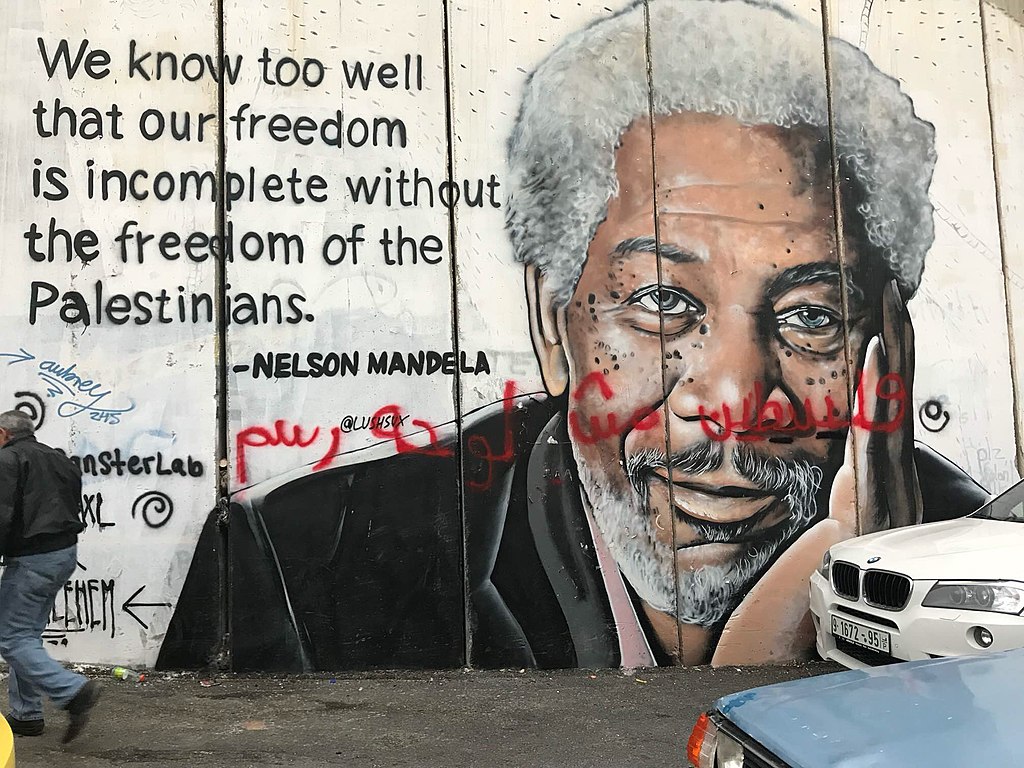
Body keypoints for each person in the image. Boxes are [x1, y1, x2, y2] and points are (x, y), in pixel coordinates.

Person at [159, 0, 990, 671]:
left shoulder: (980, 556)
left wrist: (869, 610)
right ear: (553, 324)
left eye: (812, 316)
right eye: (662, 301)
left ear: (892, 344)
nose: (735, 401)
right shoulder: (297, 566)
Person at [0, 410, 101, 742]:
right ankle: (26, 714)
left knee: (12, 637)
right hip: (62, 554)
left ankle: (72, 691)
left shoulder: (8, 460)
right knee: (26, 635)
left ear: (3, 433)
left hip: (31, 559)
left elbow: (2, 514)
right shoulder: (58, 458)